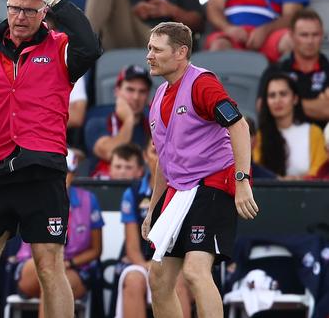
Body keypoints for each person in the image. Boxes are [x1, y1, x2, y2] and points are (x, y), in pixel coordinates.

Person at [0, 0, 101, 318]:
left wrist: (61, 2)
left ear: (44, 13)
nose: (20, 16)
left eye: (29, 10)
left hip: (41, 172)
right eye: (14, 9)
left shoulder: (61, 46)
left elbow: (90, 49)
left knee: (50, 266)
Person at [141, 22, 259, 318]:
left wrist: (242, 179)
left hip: (213, 185)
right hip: (179, 192)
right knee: (158, 278)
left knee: (195, 271)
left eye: (156, 49)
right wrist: (153, 209)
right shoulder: (158, 97)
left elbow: (239, 125)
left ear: (181, 52)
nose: (149, 55)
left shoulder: (202, 84)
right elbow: (164, 162)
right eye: (148, 48)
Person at [15, 149, 104, 316]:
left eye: (66, 171)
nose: (62, 176)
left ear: (74, 173)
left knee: (53, 283)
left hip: (73, 267)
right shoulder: (35, 196)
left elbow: (96, 250)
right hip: (33, 263)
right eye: (56, 170)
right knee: (49, 273)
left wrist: (68, 264)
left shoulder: (88, 200)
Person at [116, 140, 192, 318]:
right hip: (142, 261)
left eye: (164, 153)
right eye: (154, 153)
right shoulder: (132, 193)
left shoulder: (185, 189)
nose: (160, 159)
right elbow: (132, 248)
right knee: (134, 280)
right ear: (144, 156)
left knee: (176, 281)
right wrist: (146, 265)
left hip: (176, 261)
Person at [258, 9, 329, 127]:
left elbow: (327, 110)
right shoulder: (276, 70)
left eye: (315, 34)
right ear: (292, 36)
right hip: (282, 141)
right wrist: (317, 105)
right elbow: (263, 107)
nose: (310, 41)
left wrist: (285, 104)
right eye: (304, 35)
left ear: (322, 35)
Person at [254, 73, 328, 179]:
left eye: (283, 94)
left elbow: (321, 172)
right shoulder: (260, 135)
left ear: (295, 99)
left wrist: (298, 180)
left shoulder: (313, 132)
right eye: (272, 95)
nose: (277, 100)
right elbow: (257, 172)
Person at [90, 65, 152, 178]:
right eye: (130, 89)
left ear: (148, 95)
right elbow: (109, 152)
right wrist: (129, 120)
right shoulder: (97, 121)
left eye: (142, 91)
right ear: (117, 91)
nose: (136, 97)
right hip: (105, 190)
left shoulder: (153, 125)